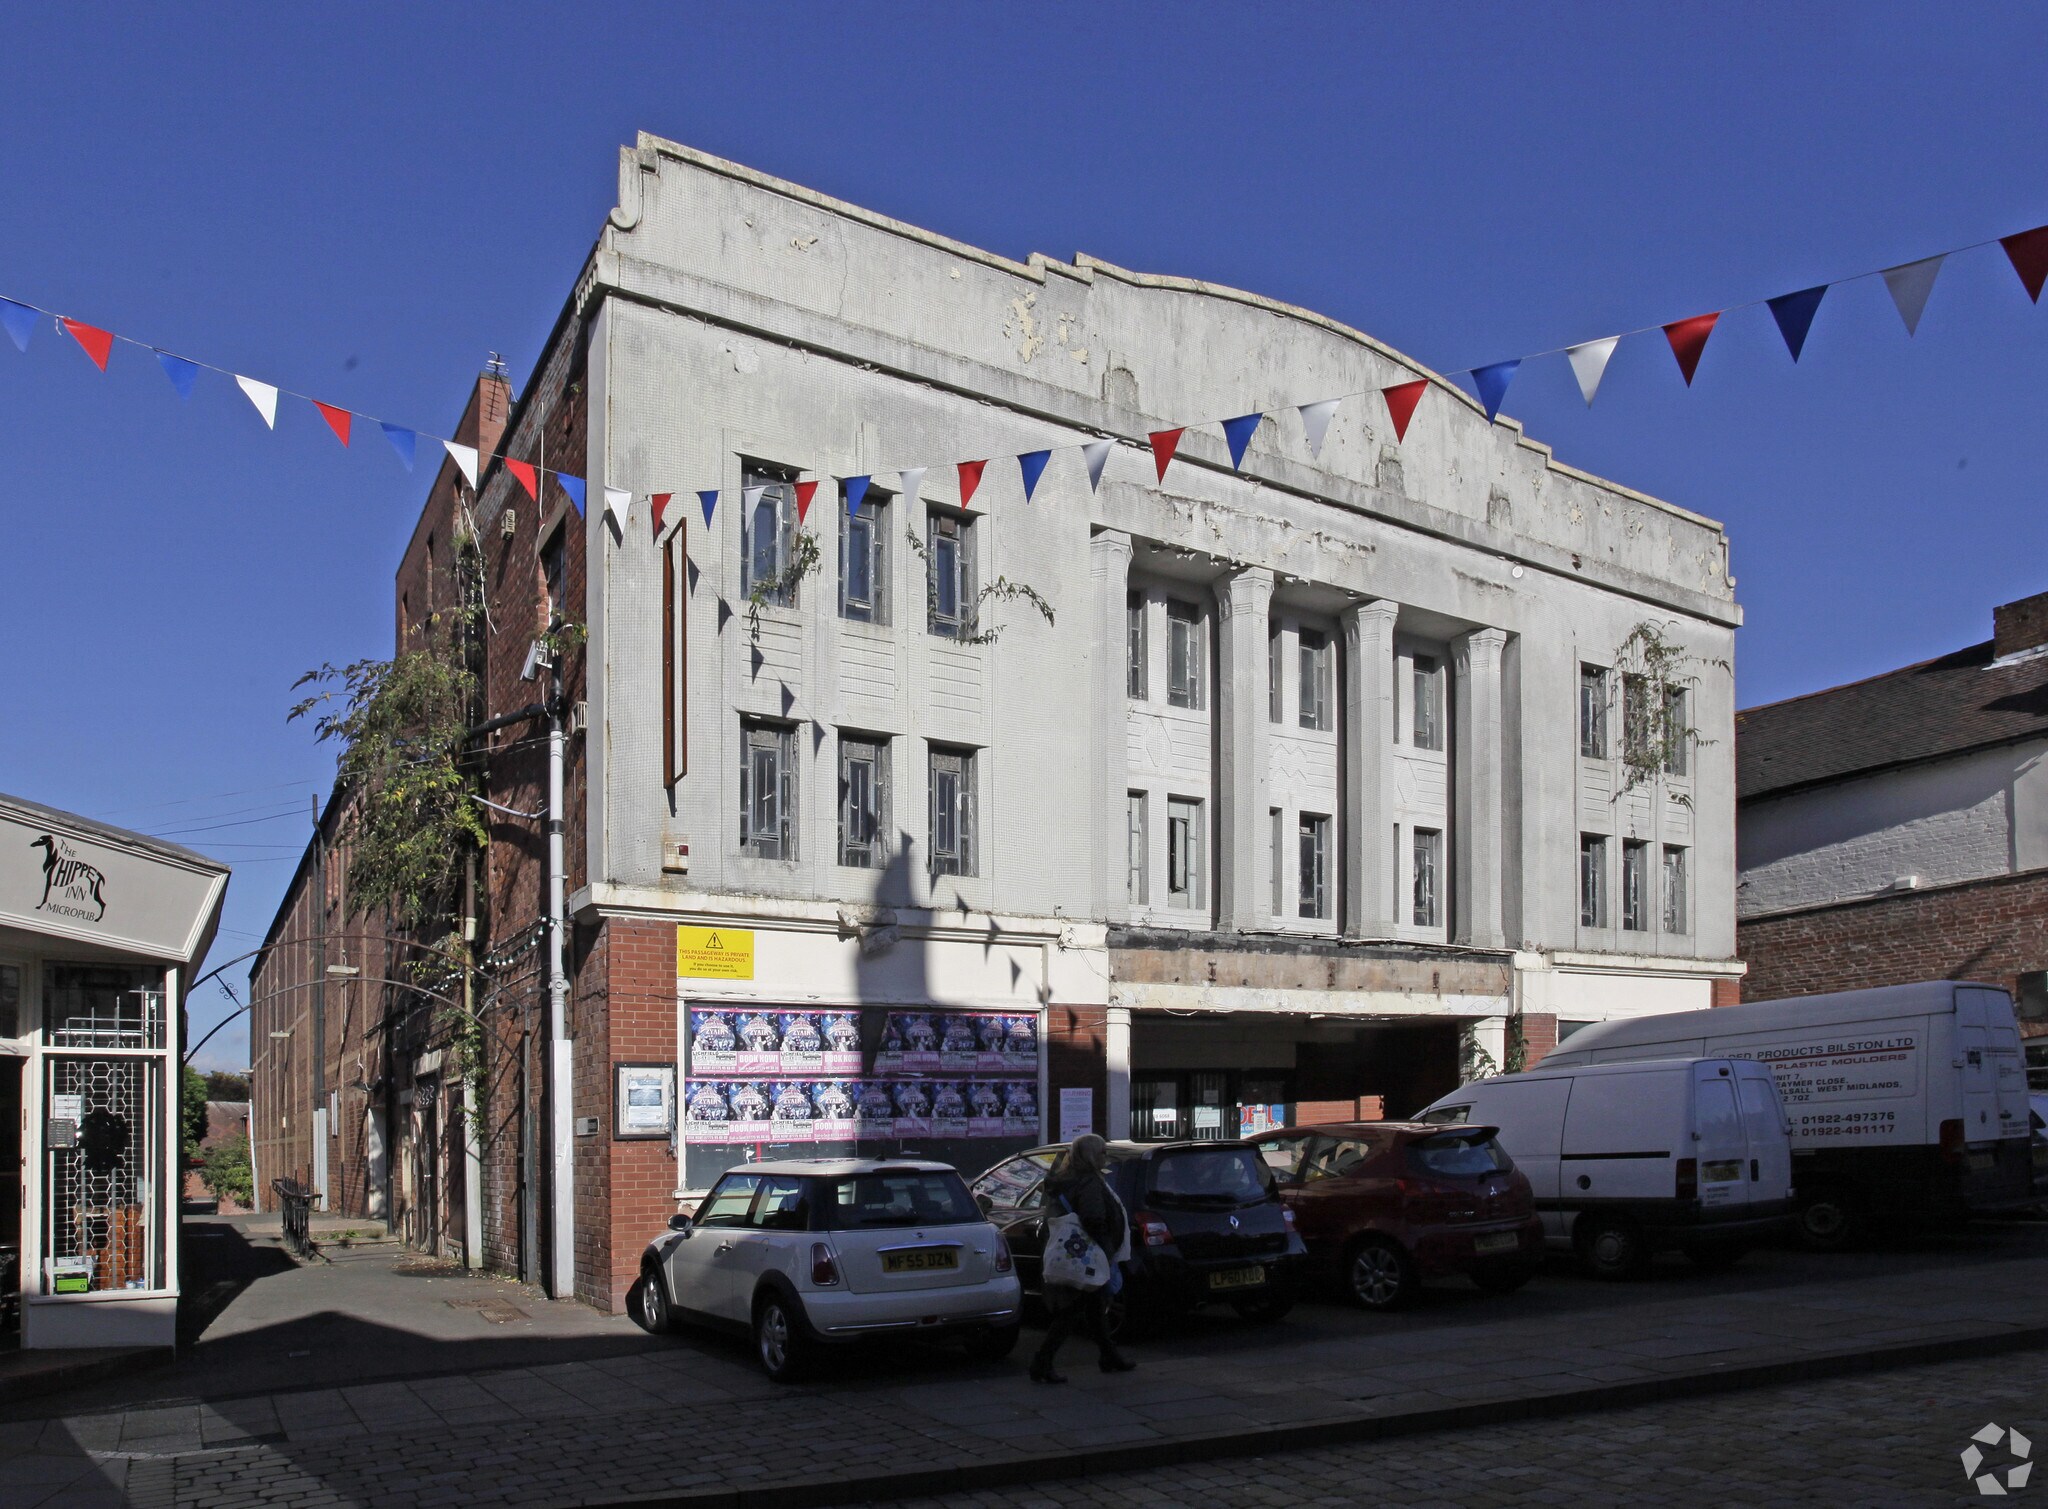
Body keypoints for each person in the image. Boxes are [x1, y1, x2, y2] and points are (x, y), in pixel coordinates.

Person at [1028, 1133, 1136, 1383]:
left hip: (1075, 1254)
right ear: (1091, 1156)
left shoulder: (1067, 1179)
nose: (1105, 1157)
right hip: (1087, 1255)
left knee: (1095, 1308)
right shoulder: (1088, 1181)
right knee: (1072, 1311)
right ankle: (1042, 1362)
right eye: (1102, 1152)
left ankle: (1109, 1356)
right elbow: (1093, 1217)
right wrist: (1106, 1248)